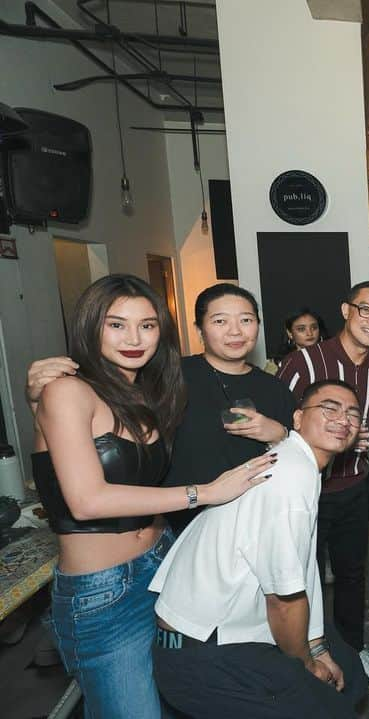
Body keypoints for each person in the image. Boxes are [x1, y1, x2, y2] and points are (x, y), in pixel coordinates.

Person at [31, 274, 272, 719]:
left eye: (147, 325)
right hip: (102, 592)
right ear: (90, 326)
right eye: (117, 324)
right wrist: (207, 493)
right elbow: (87, 500)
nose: (134, 338)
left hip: (163, 564)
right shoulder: (66, 391)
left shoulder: (148, 392)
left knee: (175, 697)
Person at [151, 380, 367, 717]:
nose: (343, 419)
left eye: (353, 413)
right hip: (201, 654)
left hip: (220, 637)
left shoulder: (297, 462)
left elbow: (301, 572)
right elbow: (283, 601)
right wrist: (308, 665)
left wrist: (317, 646)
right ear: (297, 419)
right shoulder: (291, 476)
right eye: (329, 408)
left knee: (350, 674)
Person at [29, 283, 298, 535]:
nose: (235, 331)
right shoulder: (163, 377)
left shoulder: (274, 387)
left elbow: (301, 464)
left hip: (247, 525)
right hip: (178, 524)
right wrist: (38, 397)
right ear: (199, 329)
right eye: (220, 321)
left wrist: (280, 434)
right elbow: (86, 435)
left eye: (246, 320)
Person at [275, 281, 369, 689]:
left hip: (354, 486)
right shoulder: (305, 363)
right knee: (298, 579)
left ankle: (352, 648)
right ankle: (305, 656)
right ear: (346, 310)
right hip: (305, 491)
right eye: (366, 310)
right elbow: (278, 425)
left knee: (351, 574)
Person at [265, 308, 326, 374]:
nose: (309, 333)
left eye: (314, 328)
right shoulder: (276, 365)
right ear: (290, 333)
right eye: (301, 329)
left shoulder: (329, 357)